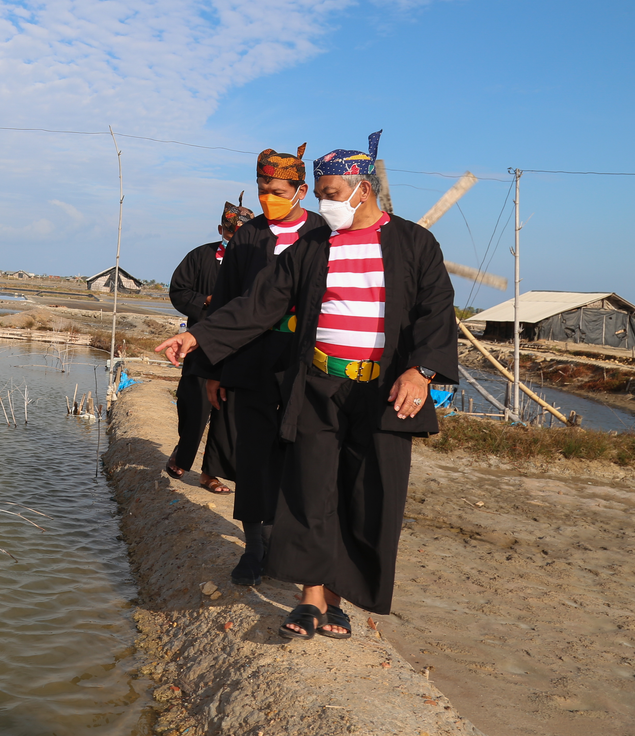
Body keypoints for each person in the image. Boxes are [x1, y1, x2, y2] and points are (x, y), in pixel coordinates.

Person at [156, 131, 458, 640]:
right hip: (318, 386)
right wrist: (200, 340)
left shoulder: (413, 243)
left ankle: (338, 601)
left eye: (333, 193)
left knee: (365, 496)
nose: (324, 203)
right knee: (310, 491)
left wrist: (420, 371)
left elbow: (436, 312)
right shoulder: (313, 247)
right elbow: (260, 303)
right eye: (319, 193)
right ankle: (309, 598)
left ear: (363, 188)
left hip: (381, 392)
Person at [188, 145, 325, 587]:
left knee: (300, 461)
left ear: (301, 190)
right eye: (264, 189)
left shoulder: (323, 235)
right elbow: (225, 306)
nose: (269, 197)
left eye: (278, 190)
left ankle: (289, 549)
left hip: (304, 365)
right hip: (249, 363)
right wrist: (213, 371)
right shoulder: (247, 237)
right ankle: (254, 549)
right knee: (253, 458)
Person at [165, 197, 253, 493]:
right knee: (195, 402)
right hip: (200, 343)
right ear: (220, 229)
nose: (235, 240)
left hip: (241, 346)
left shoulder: (258, 262)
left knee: (228, 411)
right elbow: (178, 290)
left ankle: (210, 472)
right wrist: (205, 300)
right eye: (230, 234)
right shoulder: (200, 257)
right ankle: (183, 451)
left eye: (242, 235)